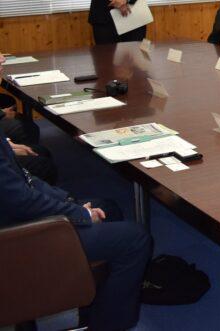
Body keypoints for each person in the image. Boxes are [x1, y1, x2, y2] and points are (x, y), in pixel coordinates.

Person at [0, 135, 153, 329]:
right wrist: (82, 214)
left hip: (19, 218)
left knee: (108, 209)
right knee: (135, 238)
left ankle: (97, 304)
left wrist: (69, 203)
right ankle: (110, 324)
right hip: (17, 236)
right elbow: (22, 202)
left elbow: (26, 180)